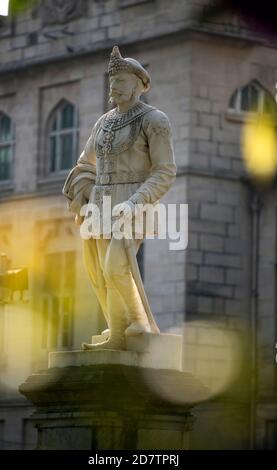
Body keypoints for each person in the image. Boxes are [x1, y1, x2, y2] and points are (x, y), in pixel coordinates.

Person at [63, 45, 177, 350]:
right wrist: (83, 188)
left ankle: (139, 321)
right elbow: (85, 162)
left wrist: (136, 201)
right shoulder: (104, 122)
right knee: (102, 272)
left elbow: (165, 171)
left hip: (133, 202)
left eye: (121, 82)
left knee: (115, 266)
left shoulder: (154, 120)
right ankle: (116, 334)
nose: (113, 87)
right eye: (112, 82)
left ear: (138, 85)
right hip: (100, 205)